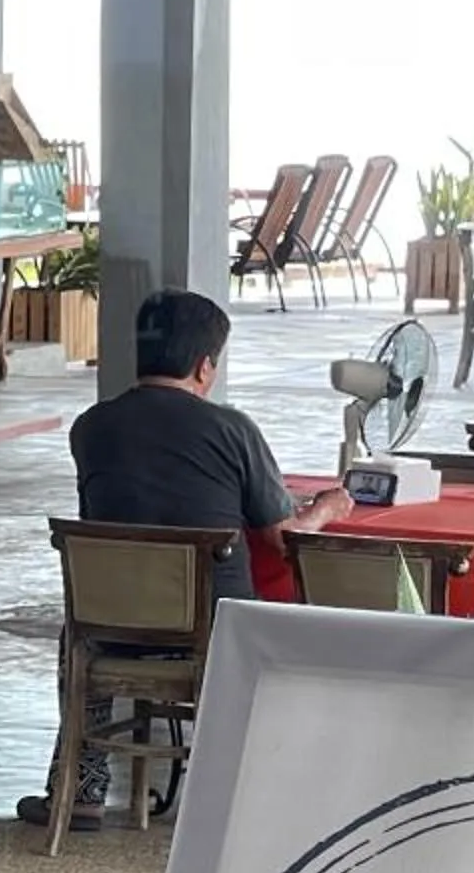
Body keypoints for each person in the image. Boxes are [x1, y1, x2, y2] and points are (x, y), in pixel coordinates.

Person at [18, 287, 315, 832]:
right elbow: (282, 538)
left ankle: (79, 790)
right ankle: (251, 790)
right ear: (205, 366)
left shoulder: (91, 427)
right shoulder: (232, 430)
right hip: (216, 634)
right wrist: (332, 506)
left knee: (78, 630)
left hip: (110, 631)